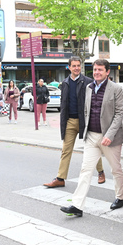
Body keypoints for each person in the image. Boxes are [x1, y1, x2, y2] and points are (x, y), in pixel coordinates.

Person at [60, 59, 123, 217]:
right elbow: (86, 110)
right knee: (85, 170)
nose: (96, 72)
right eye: (95, 69)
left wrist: (109, 135)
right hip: (91, 136)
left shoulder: (116, 89)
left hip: (110, 138)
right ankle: (77, 205)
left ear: (107, 72)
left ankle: (121, 197)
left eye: (100, 70)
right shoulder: (89, 88)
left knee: (116, 169)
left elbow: (119, 114)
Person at [44, 57, 105, 188]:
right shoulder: (65, 83)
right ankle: (60, 178)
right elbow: (64, 104)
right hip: (70, 121)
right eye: (74, 66)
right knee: (66, 150)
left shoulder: (89, 82)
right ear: (69, 67)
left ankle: (101, 172)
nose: (77, 68)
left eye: (78, 65)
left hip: (86, 121)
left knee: (93, 147)